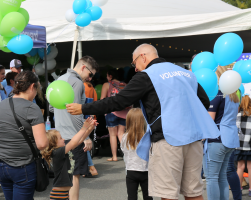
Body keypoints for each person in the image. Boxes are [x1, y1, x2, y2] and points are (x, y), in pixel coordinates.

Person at [67, 44, 216, 200]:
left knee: (168, 194)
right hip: (194, 139)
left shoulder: (147, 75)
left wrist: (83, 108)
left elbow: (118, 101)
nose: (136, 68)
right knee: (194, 193)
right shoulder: (186, 73)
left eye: (134, 63)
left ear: (143, 57)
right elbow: (204, 102)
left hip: (168, 140)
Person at [0, 71, 48, 200]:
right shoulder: (32, 108)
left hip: (1, 165)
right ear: (32, 86)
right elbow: (42, 144)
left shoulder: (0, 106)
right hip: (22, 165)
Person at [51, 56, 99, 200]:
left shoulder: (59, 80)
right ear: (83, 67)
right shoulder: (77, 82)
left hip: (60, 136)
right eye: (90, 74)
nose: (90, 78)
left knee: (64, 176)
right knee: (75, 177)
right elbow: (76, 113)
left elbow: (51, 108)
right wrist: (86, 137)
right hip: (74, 136)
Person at [203, 66, 240, 200]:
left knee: (212, 178)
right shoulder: (234, 96)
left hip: (216, 140)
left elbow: (209, 119)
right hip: (230, 139)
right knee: (222, 176)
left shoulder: (216, 94)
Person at [41, 118, 97, 200]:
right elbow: (73, 142)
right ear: (53, 143)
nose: (63, 139)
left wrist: (90, 128)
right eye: (60, 138)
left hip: (63, 194)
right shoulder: (57, 152)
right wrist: (84, 127)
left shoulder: (62, 150)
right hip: (58, 195)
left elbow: (79, 141)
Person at [121, 108, 153, 200]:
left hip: (131, 170)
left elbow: (123, 150)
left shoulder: (125, 137)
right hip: (146, 170)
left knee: (131, 197)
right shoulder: (147, 136)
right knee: (148, 196)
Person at [101, 68, 130, 161]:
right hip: (124, 113)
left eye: (107, 75)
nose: (106, 77)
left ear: (110, 76)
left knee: (112, 135)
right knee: (121, 134)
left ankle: (114, 156)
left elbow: (102, 99)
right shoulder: (125, 85)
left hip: (111, 112)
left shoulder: (107, 84)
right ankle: (127, 155)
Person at [83, 81, 98, 177]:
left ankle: (90, 167)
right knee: (85, 139)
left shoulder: (81, 86)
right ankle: (90, 167)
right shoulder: (92, 88)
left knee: (83, 140)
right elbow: (96, 102)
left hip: (82, 115)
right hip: (90, 115)